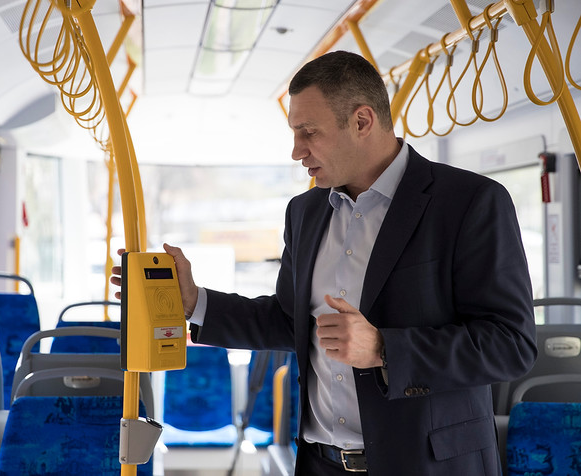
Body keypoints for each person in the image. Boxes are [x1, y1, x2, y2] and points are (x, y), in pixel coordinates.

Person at [112, 51, 537, 475]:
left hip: (428, 464)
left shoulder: (468, 202)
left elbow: (511, 345)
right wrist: (194, 302)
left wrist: (384, 349)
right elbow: (288, 321)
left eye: (308, 132)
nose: (296, 151)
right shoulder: (305, 211)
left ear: (362, 121)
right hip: (321, 462)